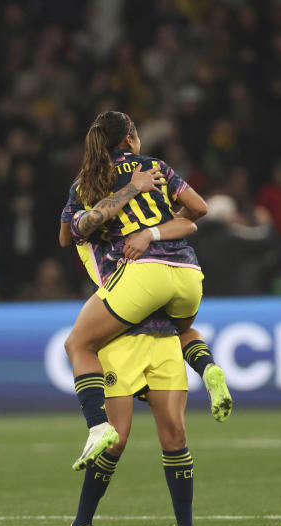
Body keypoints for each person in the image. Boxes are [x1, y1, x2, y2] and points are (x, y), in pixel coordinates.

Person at [61, 111, 230, 472]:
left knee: (79, 343)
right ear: (130, 137)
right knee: (183, 332)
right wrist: (158, 225)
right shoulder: (156, 167)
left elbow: (69, 234)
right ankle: (209, 368)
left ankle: (96, 426)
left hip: (139, 276)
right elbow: (199, 210)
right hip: (187, 272)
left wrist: (125, 200)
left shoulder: (87, 183)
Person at [61, 190, 220, 526]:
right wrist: (128, 188)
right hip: (121, 337)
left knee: (176, 434)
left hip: (162, 335)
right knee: (117, 437)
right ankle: (81, 525)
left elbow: (185, 217)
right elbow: (71, 230)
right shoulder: (91, 222)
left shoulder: (140, 228)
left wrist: (154, 226)